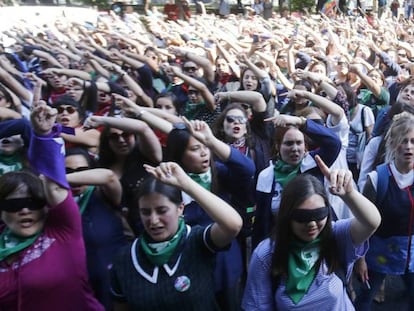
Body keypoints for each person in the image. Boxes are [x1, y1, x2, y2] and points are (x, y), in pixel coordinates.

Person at [242, 155, 381, 310]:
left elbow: (371, 222)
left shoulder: (335, 236)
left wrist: (349, 194)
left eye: (319, 214)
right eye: (303, 217)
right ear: (287, 216)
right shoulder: (266, 254)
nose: (312, 224)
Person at [0, 105, 104, 310]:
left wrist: (42, 135)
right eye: (14, 204)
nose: (24, 210)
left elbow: (54, 186)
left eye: (33, 203)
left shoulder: (62, 232)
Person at [109, 161, 243, 310]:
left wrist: (186, 184)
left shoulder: (196, 240)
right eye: (145, 212)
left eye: (162, 210)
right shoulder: (125, 259)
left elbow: (233, 224)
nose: (153, 220)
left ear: (180, 208)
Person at [354, 112, 414, 310]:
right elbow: (361, 222)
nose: (408, 146)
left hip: (411, 255)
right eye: (403, 140)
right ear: (392, 143)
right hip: (377, 253)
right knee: (365, 299)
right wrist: (360, 259)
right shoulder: (376, 179)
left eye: (413, 141)